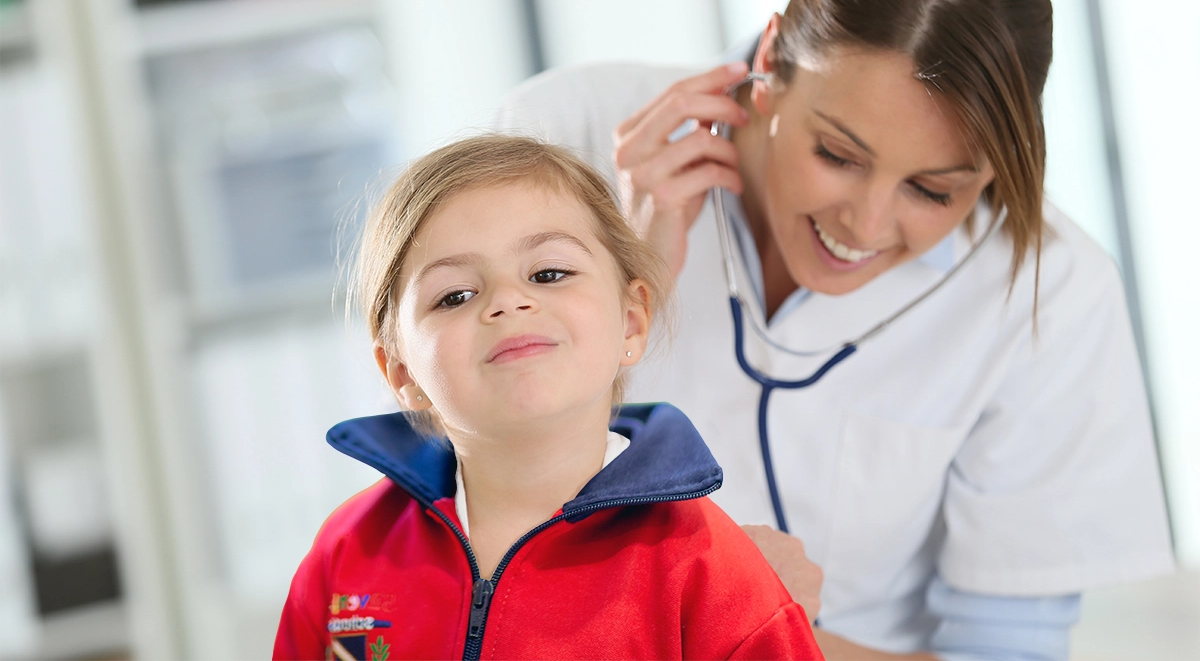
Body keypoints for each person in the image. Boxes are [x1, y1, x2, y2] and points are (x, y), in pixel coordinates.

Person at [495, 0, 1174, 658]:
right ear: (770, 58)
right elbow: (451, 503)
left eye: (933, 191)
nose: (867, 225)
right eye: (837, 154)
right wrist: (622, 293)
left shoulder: (1049, 290)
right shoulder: (560, 139)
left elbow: (1003, 649)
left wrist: (740, 620)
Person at [272, 135, 825, 660]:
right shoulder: (347, 551)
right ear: (401, 372)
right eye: (455, 295)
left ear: (631, 323)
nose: (508, 302)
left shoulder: (710, 572)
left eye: (549, 272)